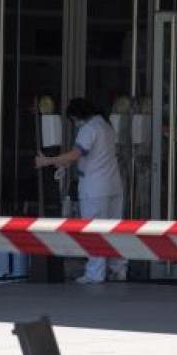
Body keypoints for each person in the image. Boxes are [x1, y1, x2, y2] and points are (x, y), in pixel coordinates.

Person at [34, 98, 127, 283]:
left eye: (73, 119)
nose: (74, 123)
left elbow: (76, 154)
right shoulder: (106, 126)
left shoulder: (88, 129)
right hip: (113, 186)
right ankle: (118, 269)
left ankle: (95, 273)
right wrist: (63, 161)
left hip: (94, 189)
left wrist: (48, 161)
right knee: (114, 230)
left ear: (77, 116)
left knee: (94, 232)